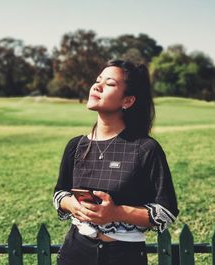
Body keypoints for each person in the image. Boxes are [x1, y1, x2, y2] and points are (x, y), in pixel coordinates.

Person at [53, 60, 179, 265]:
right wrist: (73, 205)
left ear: (127, 101)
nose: (97, 86)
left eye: (109, 83)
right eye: (97, 80)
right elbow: (59, 193)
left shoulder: (146, 149)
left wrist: (116, 213)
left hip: (124, 256)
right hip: (75, 252)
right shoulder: (76, 146)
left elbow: (166, 212)